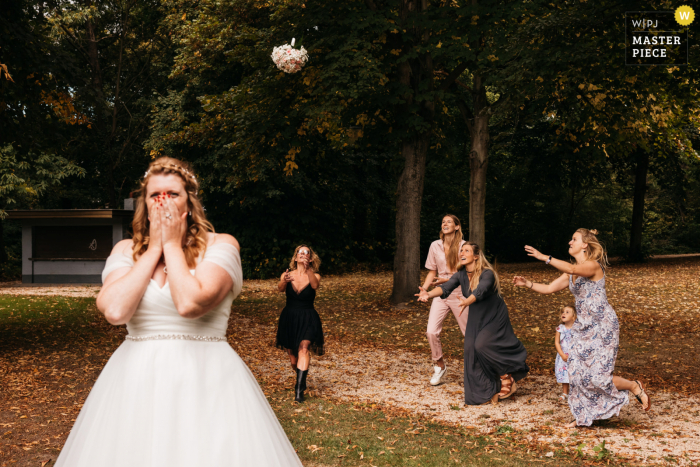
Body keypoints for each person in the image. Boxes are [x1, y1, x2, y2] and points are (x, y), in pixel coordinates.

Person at [55, 157, 302, 466]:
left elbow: (189, 303)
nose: (163, 202)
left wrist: (171, 245)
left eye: (172, 194)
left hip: (207, 380)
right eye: (155, 195)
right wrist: (153, 249)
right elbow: (115, 311)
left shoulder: (221, 245)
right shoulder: (124, 251)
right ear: (144, 206)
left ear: (190, 203)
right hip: (135, 381)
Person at [513, 228, 651, 427]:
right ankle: (583, 416)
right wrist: (528, 284)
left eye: (574, 239)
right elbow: (550, 288)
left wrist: (544, 257)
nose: (570, 242)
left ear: (585, 245)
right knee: (577, 373)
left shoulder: (593, 266)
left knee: (599, 377)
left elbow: (572, 269)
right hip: (583, 328)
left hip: (603, 326)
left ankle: (632, 385)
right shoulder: (571, 273)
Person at [417, 242, 529, 405]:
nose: (462, 252)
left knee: (482, 345)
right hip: (477, 316)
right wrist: (428, 294)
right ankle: (485, 390)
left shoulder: (487, 273)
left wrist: (466, 301)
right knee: (471, 350)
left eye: (466, 250)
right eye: (461, 250)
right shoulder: (460, 274)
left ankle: (506, 377)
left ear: (476, 256)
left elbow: (480, 291)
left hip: (494, 316)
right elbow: (445, 288)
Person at [422, 214, 468, 385]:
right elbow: (432, 272)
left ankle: (479, 369)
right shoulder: (435, 245)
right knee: (431, 331)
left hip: (460, 292)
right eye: (443, 222)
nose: (445, 223)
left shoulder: (464, 246)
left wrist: (448, 281)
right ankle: (440, 366)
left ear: (457, 226)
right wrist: (425, 290)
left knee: (469, 333)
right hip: (441, 292)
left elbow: (467, 273)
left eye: (449, 221)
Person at [275, 245, 324, 403]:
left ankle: (299, 390)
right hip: (290, 318)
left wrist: (308, 269)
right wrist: (284, 281)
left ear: (310, 258)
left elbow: (315, 285)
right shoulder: (287, 274)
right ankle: (300, 377)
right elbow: (280, 289)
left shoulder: (315, 275)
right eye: (300, 253)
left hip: (308, 317)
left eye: (306, 253)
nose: (303, 255)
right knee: (293, 359)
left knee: (304, 348)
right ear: (295, 258)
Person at [555, 305, 576, 403]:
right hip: (564, 356)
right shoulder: (560, 328)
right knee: (565, 374)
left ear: (574, 316)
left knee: (575, 373)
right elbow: (557, 343)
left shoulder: (577, 329)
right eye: (563, 312)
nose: (564, 313)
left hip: (575, 356)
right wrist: (562, 355)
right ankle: (565, 393)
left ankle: (576, 393)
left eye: (567, 312)